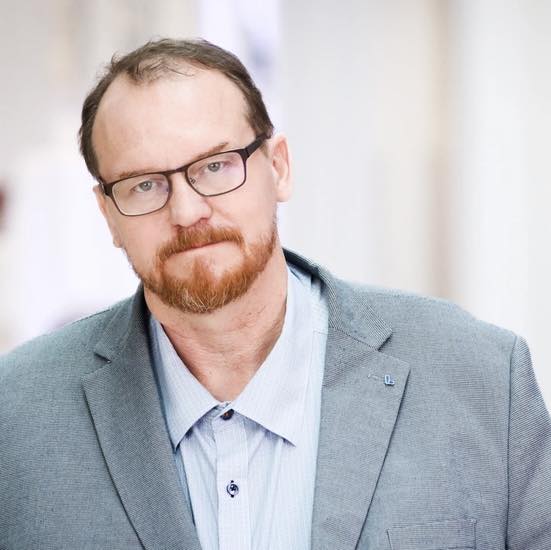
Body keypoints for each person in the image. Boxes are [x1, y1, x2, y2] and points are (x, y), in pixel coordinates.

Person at [1, 38, 550, 550]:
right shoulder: (17, 416)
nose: (187, 211)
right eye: (145, 184)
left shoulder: (482, 378)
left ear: (279, 167)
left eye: (216, 166)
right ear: (108, 214)